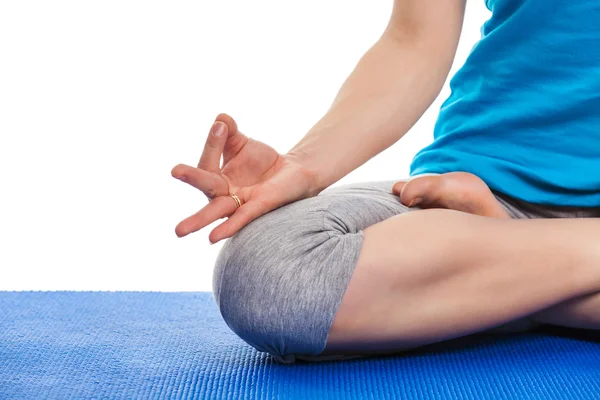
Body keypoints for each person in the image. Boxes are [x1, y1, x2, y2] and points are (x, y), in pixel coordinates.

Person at [171, 0, 600, 364]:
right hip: (477, 196)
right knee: (266, 275)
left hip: (479, 239)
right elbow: (414, 41)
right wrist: (306, 164)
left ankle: (501, 287)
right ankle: (537, 274)